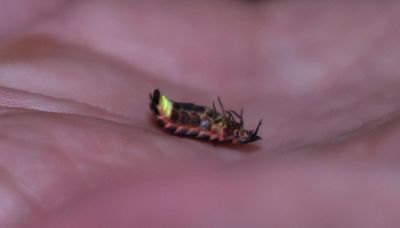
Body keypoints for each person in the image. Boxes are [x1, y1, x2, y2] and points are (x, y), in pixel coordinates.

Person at [1, 0, 399, 227]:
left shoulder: (224, 132)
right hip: (182, 116)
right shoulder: (223, 128)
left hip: (185, 118)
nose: (245, 134)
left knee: (196, 119)